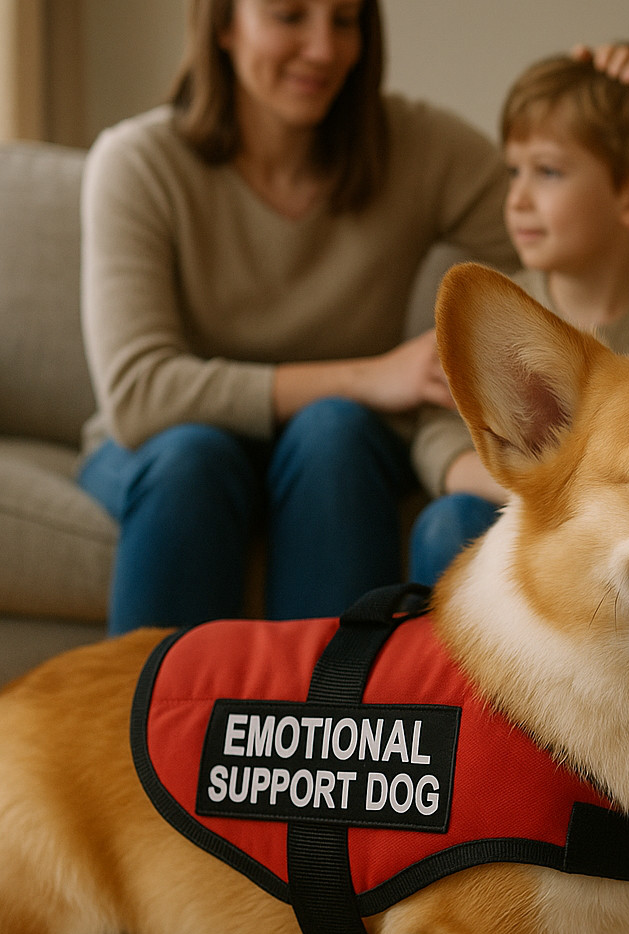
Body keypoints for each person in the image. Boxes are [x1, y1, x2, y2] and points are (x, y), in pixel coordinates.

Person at [78, 0, 527, 635]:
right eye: (290, 15)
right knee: (194, 456)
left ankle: (331, 721)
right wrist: (364, 376)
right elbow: (138, 395)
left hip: (335, 450)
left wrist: (605, 99)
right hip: (169, 447)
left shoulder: (417, 147)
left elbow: (557, 231)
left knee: (335, 429)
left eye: (344, 21)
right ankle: (141, 728)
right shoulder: (137, 162)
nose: (324, 48)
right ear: (224, 25)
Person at [407, 42, 629, 585]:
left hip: (622, 539)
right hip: (508, 512)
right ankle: (438, 675)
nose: (517, 198)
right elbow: (439, 431)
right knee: (449, 523)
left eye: (548, 172)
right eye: (514, 171)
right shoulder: (502, 317)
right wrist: (520, 485)